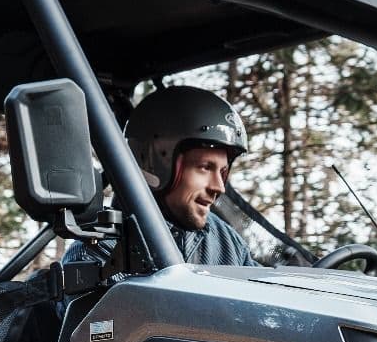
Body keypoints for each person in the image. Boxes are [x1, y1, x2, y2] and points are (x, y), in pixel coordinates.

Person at [77, 84, 255, 269]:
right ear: (154, 163)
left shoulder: (228, 244)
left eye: (222, 172)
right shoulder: (98, 255)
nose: (219, 187)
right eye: (204, 167)